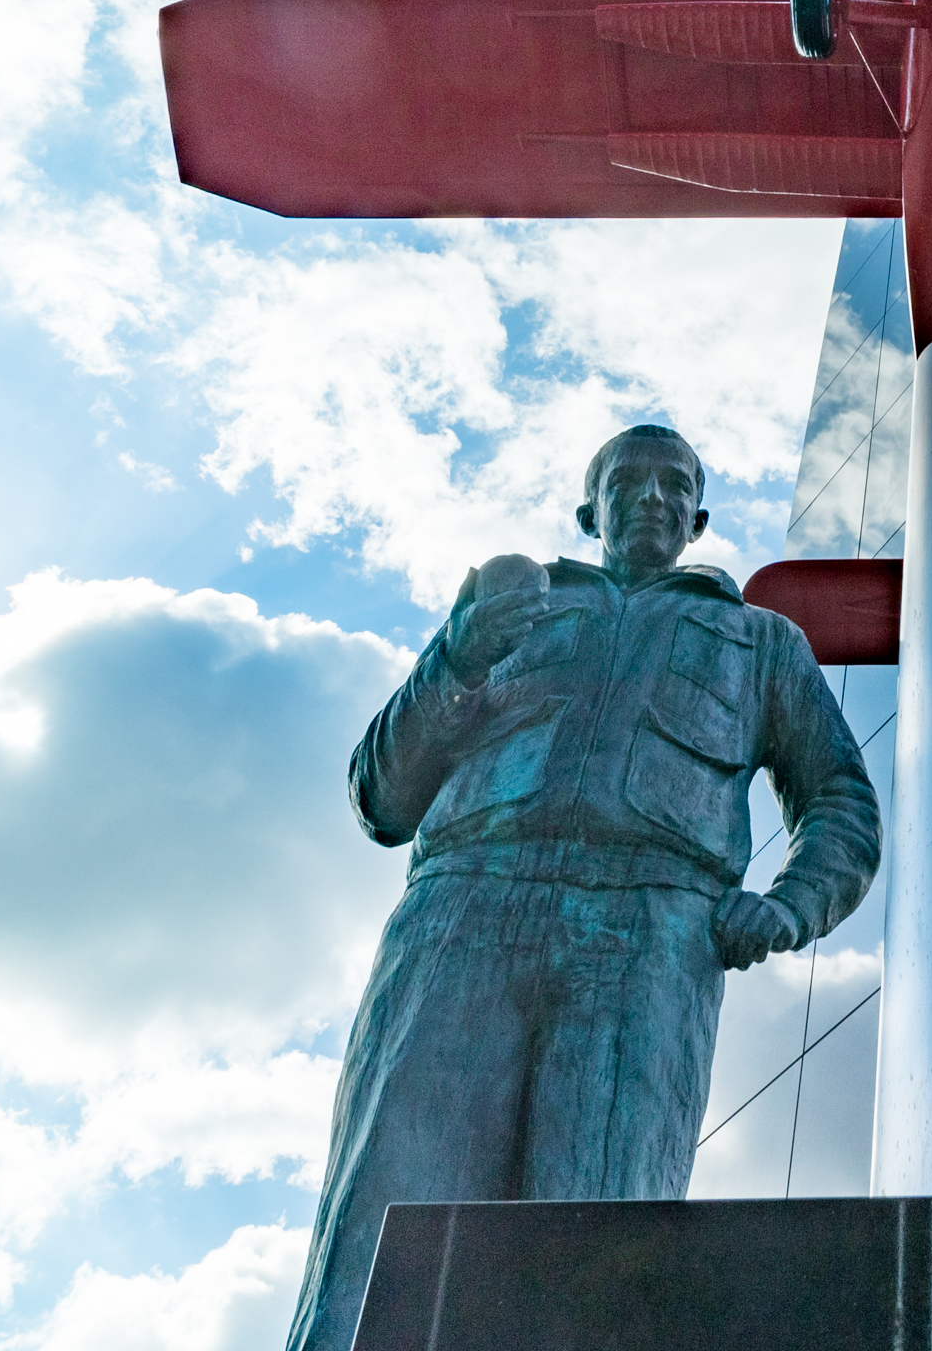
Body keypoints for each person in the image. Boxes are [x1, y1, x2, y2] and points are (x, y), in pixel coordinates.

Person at [283, 425, 881, 1351]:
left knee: (600, 1230)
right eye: (628, 481)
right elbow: (382, 797)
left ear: (699, 517)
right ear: (588, 509)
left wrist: (791, 903)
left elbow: (841, 799)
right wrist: (458, 655)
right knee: (386, 1217)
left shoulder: (758, 641)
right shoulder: (507, 612)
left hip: (648, 932)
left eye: (673, 485)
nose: (651, 497)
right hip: (463, 907)